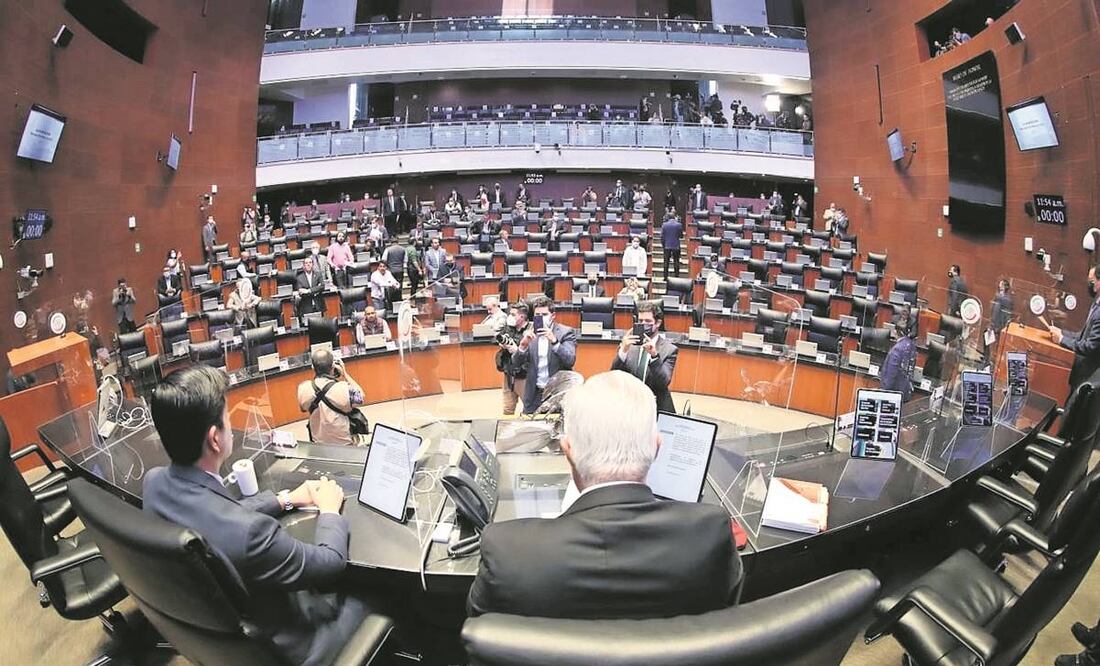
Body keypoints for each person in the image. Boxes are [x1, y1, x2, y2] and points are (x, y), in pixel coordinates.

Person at [467, 370, 741, 618]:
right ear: (657, 447)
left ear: (568, 452)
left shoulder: (506, 549)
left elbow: (481, 628)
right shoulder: (711, 532)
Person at [143, 365, 367, 666]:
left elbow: (218, 513)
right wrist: (328, 510)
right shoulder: (253, 534)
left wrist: (285, 499)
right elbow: (330, 563)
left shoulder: (154, 482)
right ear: (215, 439)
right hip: (295, 646)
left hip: (220, 640)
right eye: (227, 419)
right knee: (376, 596)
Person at [611, 301, 678, 413]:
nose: (643, 324)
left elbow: (663, 383)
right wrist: (623, 351)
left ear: (657, 323)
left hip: (655, 405)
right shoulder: (628, 344)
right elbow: (615, 375)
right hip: (630, 403)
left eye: (648, 321)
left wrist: (654, 356)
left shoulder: (669, 349)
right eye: (640, 321)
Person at [513, 295, 576, 414]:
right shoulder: (530, 333)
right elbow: (515, 363)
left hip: (556, 394)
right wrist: (522, 346)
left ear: (553, 316)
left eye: (544, 315)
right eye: (537, 315)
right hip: (534, 394)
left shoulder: (565, 333)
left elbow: (570, 360)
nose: (540, 318)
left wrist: (555, 342)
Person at [297, 349, 365, 446]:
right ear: (333, 366)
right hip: (345, 444)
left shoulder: (303, 388)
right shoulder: (344, 388)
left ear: (313, 367)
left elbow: (303, 408)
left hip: (319, 444)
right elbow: (361, 397)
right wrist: (345, 374)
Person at [1048, 264, 1100, 389]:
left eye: (1092, 281)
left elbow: (1089, 347)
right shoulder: (1096, 305)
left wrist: (1061, 340)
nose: (1089, 285)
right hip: (1080, 372)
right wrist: (1061, 332)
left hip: (1087, 376)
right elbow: (1082, 336)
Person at [496, 301, 530, 416]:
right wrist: (502, 343)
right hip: (508, 374)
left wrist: (517, 349)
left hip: (524, 375)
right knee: (507, 408)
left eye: (513, 314)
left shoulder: (531, 330)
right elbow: (496, 338)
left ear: (522, 316)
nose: (510, 317)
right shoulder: (509, 328)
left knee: (529, 408)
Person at [879, 308, 917, 401]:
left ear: (896, 332)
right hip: (905, 390)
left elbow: (891, 374)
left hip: (893, 394)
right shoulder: (912, 345)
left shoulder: (897, 349)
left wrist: (884, 392)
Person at [294, 256, 325, 324]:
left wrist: (308, 291)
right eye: (306, 263)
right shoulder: (299, 278)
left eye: (310, 262)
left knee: (321, 325)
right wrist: (316, 289)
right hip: (306, 307)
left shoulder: (318, 274)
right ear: (304, 266)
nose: (308, 264)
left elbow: (322, 287)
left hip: (318, 305)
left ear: (313, 265)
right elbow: (301, 292)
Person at [660, 213, 684, 280]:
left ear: (668, 217)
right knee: (676, 261)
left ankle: (665, 277)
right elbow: (681, 236)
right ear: (675, 217)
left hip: (667, 245)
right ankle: (676, 276)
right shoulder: (679, 225)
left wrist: (663, 245)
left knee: (666, 262)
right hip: (676, 245)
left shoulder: (664, 225)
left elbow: (662, 236)